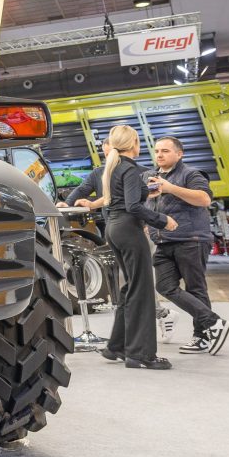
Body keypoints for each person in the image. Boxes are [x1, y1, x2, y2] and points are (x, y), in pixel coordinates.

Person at [98, 125, 177, 370]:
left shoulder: (111, 168)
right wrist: (163, 220)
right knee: (142, 291)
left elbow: (124, 199)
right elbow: (132, 206)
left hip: (113, 228)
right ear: (134, 144)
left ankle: (117, 346)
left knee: (130, 287)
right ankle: (141, 354)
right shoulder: (130, 169)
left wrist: (147, 190)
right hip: (129, 229)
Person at [147, 136, 229, 355]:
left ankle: (201, 337)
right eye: (157, 151)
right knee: (165, 286)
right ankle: (214, 322)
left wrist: (170, 188)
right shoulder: (150, 177)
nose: (159, 155)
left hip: (191, 239)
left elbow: (204, 199)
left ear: (179, 154)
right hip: (164, 242)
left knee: (196, 288)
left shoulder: (191, 174)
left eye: (165, 151)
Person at [60, 138, 111, 209]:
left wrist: (94, 204)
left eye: (111, 154)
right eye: (106, 155)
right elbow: (82, 190)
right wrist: (67, 203)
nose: (109, 158)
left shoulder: (127, 171)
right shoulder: (98, 173)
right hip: (109, 218)